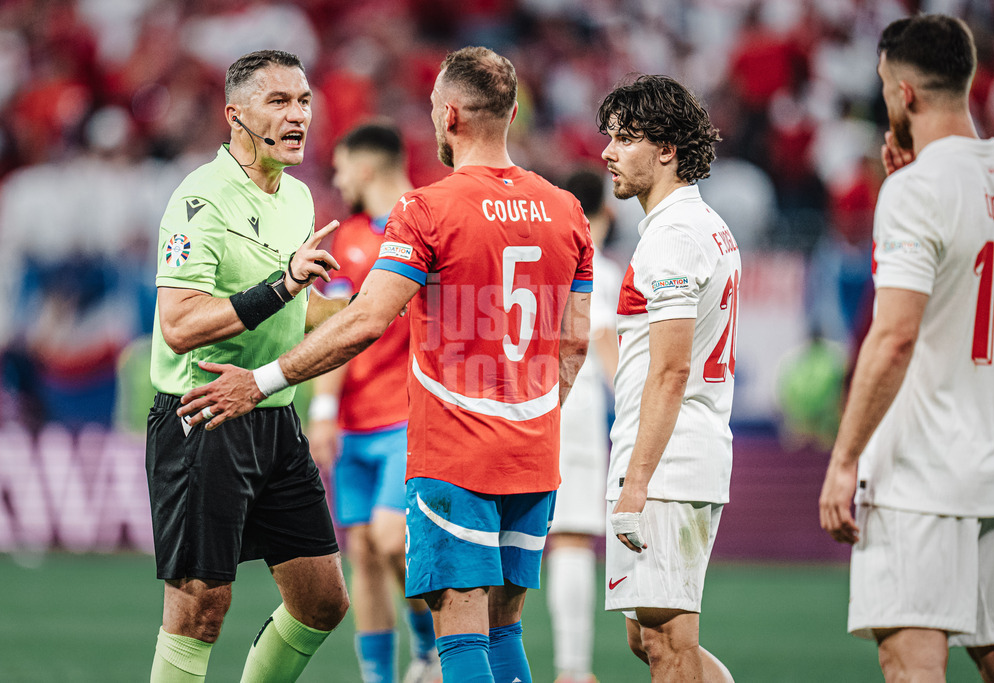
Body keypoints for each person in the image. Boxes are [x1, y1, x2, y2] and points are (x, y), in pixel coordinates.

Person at [175, 46, 594, 683]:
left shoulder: (427, 209)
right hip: (534, 452)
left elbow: (366, 320)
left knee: (460, 629)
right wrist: (530, 416)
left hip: (457, 452)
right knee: (505, 627)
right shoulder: (566, 210)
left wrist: (260, 381)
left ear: (449, 116)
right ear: (511, 115)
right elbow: (575, 342)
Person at [818, 15, 994, 682]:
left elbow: (895, 336)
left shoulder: (914, 191)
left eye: (884, 86)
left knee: (910, 662)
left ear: (904, 94)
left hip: (920, 473)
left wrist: (845, 458)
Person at [146, 49, 350, 682]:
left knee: (322, 601)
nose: (298, 115)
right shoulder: (200, 200)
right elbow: (180, 324)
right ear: (235, 114)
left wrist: (376, 306)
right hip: (203, 416)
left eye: (304, 101)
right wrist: (283, 284)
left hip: (272, 414)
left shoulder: (298, 198)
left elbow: (297, 310)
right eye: (279, 101)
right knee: (199, 611)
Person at [599, 75, 737, 683]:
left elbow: (672, 367)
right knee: (646, 637)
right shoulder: (701, 224)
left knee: (668, 643)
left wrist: (637, 483)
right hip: (676, 453)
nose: (608, 152)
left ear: (666, 150)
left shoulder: (674, 236)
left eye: (624, 139)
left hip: (666, 462)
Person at [308, 123, 440, 683]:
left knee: (391, 541)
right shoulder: (348, 241)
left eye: (340, 168)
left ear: (364, 167)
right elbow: (335, 331)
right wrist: (323, 411)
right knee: (361, 553)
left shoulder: (431, 224)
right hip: (354, 422)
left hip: (408, 415)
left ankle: (429, 650)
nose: (337, 181)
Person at [545, 168, 621, 683]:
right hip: (575, 401)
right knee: (571, 538)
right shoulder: (600, 268)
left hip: (518, 400)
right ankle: (573, 671)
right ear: (606, 212)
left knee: (503, 538)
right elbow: (604, 341)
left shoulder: (533, 259)